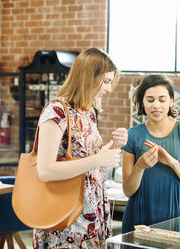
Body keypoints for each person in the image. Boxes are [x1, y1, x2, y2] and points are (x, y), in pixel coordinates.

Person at [34, 47, 128, 248]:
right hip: (65, 218)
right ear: (87, 77)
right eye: (106, 81)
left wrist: (110, 149)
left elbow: (86, 159)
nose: (109, 89)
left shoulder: (87, 112)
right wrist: (98, 159)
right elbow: (45, 170)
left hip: (90, 214)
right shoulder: (56, 111)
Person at [121, 74, 180, 233]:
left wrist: (173, 163)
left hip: (176, 218)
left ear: (171, 100)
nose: (156, 105)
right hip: (139, 218)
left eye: (162, 100)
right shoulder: (132, 135)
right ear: (142, 102)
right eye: (150, 100)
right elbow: (128, 191)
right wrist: (140, 167)